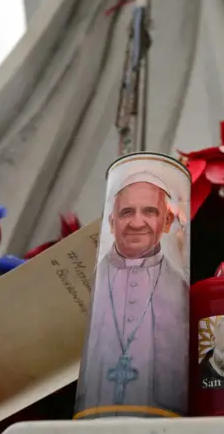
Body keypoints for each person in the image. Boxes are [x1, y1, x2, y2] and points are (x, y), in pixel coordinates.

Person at [77, 171, 188, 416]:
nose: (137, 223)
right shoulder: (92, 280)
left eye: (150, 212)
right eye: (127, 212)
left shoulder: (178, 287)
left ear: (167, 222)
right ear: (111, 222)